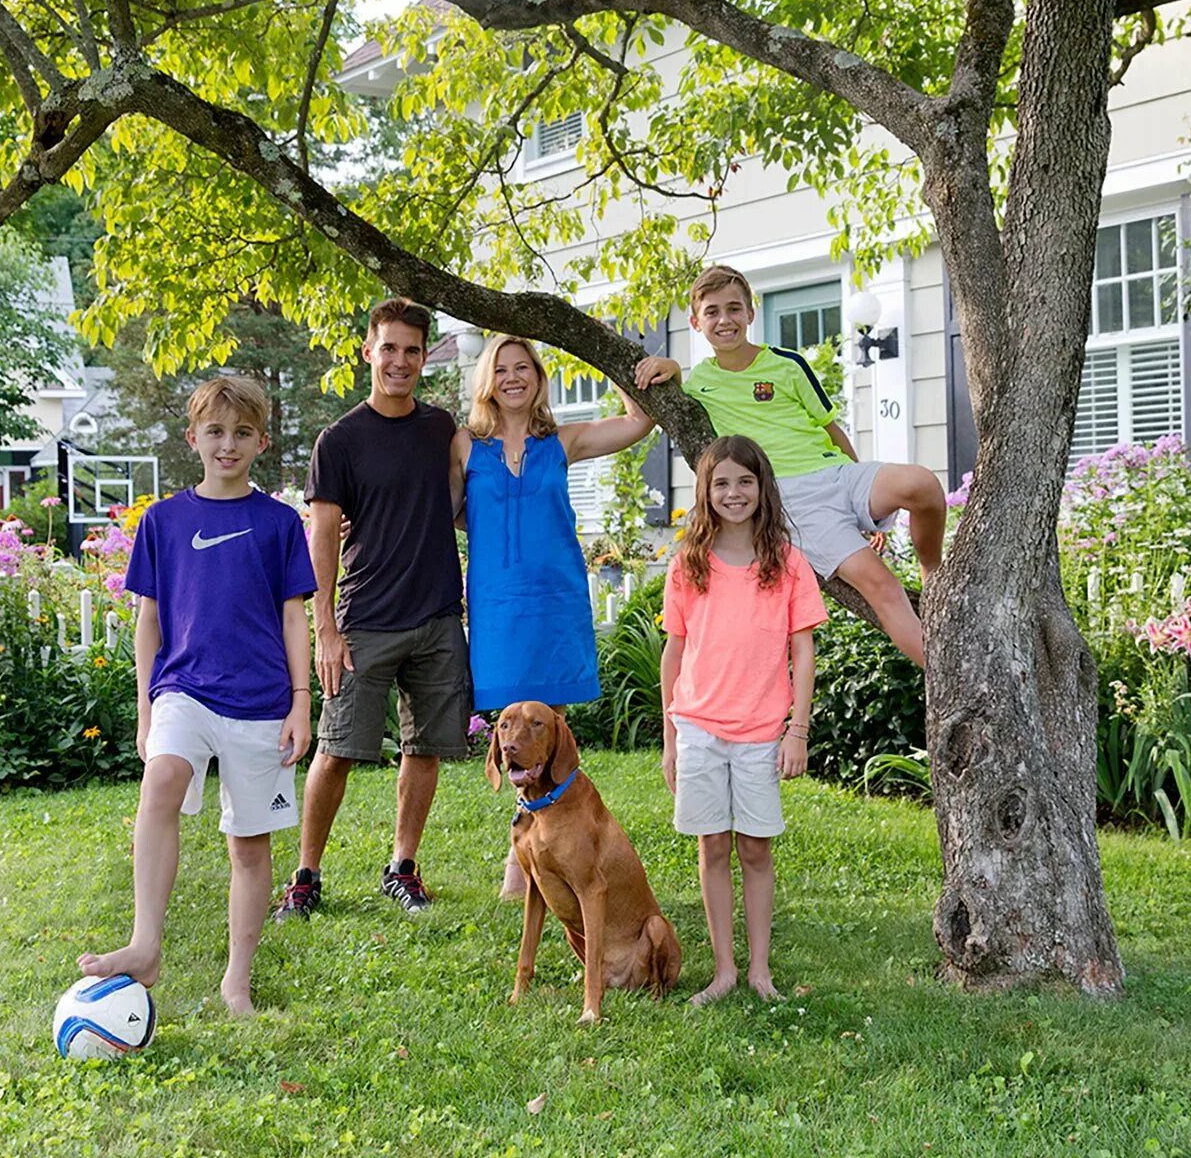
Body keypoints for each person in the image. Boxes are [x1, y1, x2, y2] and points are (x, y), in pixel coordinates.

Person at [79, 376, 317, 1016]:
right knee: (160, 783)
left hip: (262, 701)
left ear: (261, 441)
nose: (228, 444)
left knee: (249, 846)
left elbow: (296, 619)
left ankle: (237, 979)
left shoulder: (279, 522)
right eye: (215, 432)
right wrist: (145, 708)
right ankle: (145, 943)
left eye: (242, 433)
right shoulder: (163, 520)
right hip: (183, 688)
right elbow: (148, 622)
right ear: (193, 438)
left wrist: (301, 701)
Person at [634, 264, 944, 667]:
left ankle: (932, 569)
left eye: (733, 308)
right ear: (695, 322)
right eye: (712, 312)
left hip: (840, 474)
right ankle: (951, 685)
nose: (724, 320)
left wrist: (862, 499)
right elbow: (651, 403)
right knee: (881, 585)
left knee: (921, 484)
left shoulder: (787, 364)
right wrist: (673, 368)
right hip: (794, 500)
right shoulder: (697, 386)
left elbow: (830, 428)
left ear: (751, 313)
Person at [274, 298, 470, 919]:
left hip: (438, 615)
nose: (401, 361)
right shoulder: (340, 441)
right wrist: (325, 627)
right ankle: (306, 877)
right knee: (335, 749)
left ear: (423, 358)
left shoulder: (441, 428)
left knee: (424, 747)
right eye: (389, 348)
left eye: (412, 350)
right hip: (365, 620)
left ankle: (402, 866)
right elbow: (322, 535)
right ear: (368, 352)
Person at [451, 334, 657, 897]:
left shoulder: (563, 441)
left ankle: (544, 854)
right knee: (512, 730)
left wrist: (626, 361)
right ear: (487, 382)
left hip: (555, 598)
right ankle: (524, 849)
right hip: (498, 603)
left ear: (540, 379)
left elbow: (639, 421)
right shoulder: (465, 446)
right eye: (502, 369)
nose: (513, 377)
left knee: (549, 726)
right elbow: (439, 512)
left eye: (525, 368)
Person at [660, 435, 826, 1004]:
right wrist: (670, 740)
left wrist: (796, 730)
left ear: (763, 488)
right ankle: (724, 969)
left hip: (760, 732)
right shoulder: (689, 564)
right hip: (699, 727)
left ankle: (759, 970)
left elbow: (802, 650)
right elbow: (674, 654)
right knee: (713, 847)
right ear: (705, 491)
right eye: (721, 482)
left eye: (745, 482)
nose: (734, 493)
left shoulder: (787, 563)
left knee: (755, 849)